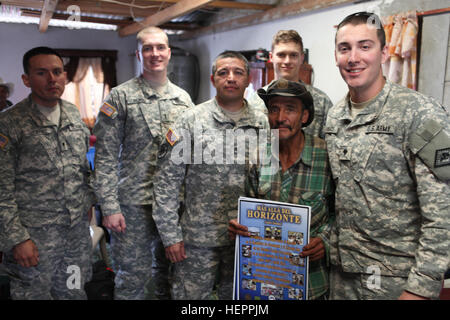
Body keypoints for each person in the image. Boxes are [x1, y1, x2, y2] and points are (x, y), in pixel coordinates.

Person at [325, 11, 450, 300]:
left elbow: (443, 213)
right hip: (342, 277)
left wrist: (419, 289)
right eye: (345, 48)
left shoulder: (420, 114)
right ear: (336, 56)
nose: (353, 57)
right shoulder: (335, 117)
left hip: (396, 283)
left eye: (364, 46)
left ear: (383, 52)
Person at [152, 50, 269, 299]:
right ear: (212, 79)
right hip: (198, 238)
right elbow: (166, 184)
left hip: (245, 237)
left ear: (248, 79)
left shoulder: (263, 123)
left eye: (238, 72)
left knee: (240, 300)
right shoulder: (190, 120)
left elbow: (272, 178)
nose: (231, 78)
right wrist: (170, 236)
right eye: (223, 72)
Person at [93, 26, 194, 300]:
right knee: (132, 278)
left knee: (170, 275)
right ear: (138, 54)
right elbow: (104, 156)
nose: (154, 53)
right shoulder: (120, 97)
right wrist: (110, 207)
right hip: (133, 206)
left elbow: (189, 155)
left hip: (173, 205)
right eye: (147, 48)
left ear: (169, 52)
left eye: (160, 47)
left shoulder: (183, 99)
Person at [0, 46, 95, 299]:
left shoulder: (74, 114)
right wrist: (18, 239)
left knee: (74, 292)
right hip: (34, 240)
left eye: (57, 72)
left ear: (65, 76)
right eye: (42, 73)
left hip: (75, 238)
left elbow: (81, 169)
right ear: (26, 79)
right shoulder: (10, 123)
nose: (52, 79)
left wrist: (88, 204)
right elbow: (2, 190)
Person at [229, 79, 335, 300]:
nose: (280, 118)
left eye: (290, 109)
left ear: (304, 116)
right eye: (274, 109)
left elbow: (345, 215)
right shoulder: (258, 157)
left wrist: (326, 241)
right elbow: (247, 210)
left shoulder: (327, 158)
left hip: (311, 286)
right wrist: (239, 229)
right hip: (265, 282)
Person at [247, 30, 333, 139]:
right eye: (281, 55)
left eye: (293, 55)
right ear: (271, 57)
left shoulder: (321, 101)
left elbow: (329, 146)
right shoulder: (255, 101)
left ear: (302, 58)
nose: (287, 61)